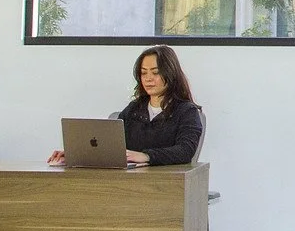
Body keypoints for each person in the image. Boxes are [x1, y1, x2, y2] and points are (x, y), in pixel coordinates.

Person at [47, 45, 205, 167]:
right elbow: (109, 147)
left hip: (166, 185)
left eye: (155, 72)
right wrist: (77, 155)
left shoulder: (187, 112)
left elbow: (185, 151)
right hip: (128, 184)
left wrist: (146, 156)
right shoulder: (134, 110)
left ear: (170, 74)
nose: (148, 78)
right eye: (143, 73)